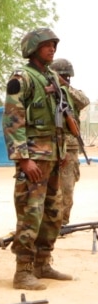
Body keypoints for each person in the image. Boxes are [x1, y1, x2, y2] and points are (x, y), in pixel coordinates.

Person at [3, 27, 73, 290]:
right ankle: (23, 271)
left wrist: (62, 151)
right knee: (30, 214)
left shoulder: (53, 77)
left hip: (54, 157)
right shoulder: (22, 78)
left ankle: (43, 262)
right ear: (33, 48)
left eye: (54, 44)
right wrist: (22, 159)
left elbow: (61, 118)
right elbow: (12, 119)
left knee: (53, 213)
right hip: (33, 157)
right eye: (46, 45)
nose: (52, 48)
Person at [49, 58, 90, 226]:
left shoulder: (71, 92)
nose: (66, 78)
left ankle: (63, 222)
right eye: (63, 76)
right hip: (50, 145)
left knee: (67, 188)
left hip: (70, 147)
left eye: (67, 76)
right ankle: (51, 222)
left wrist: (64, 86)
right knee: (50, 188)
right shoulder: (47, 91)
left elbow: (84, 101)